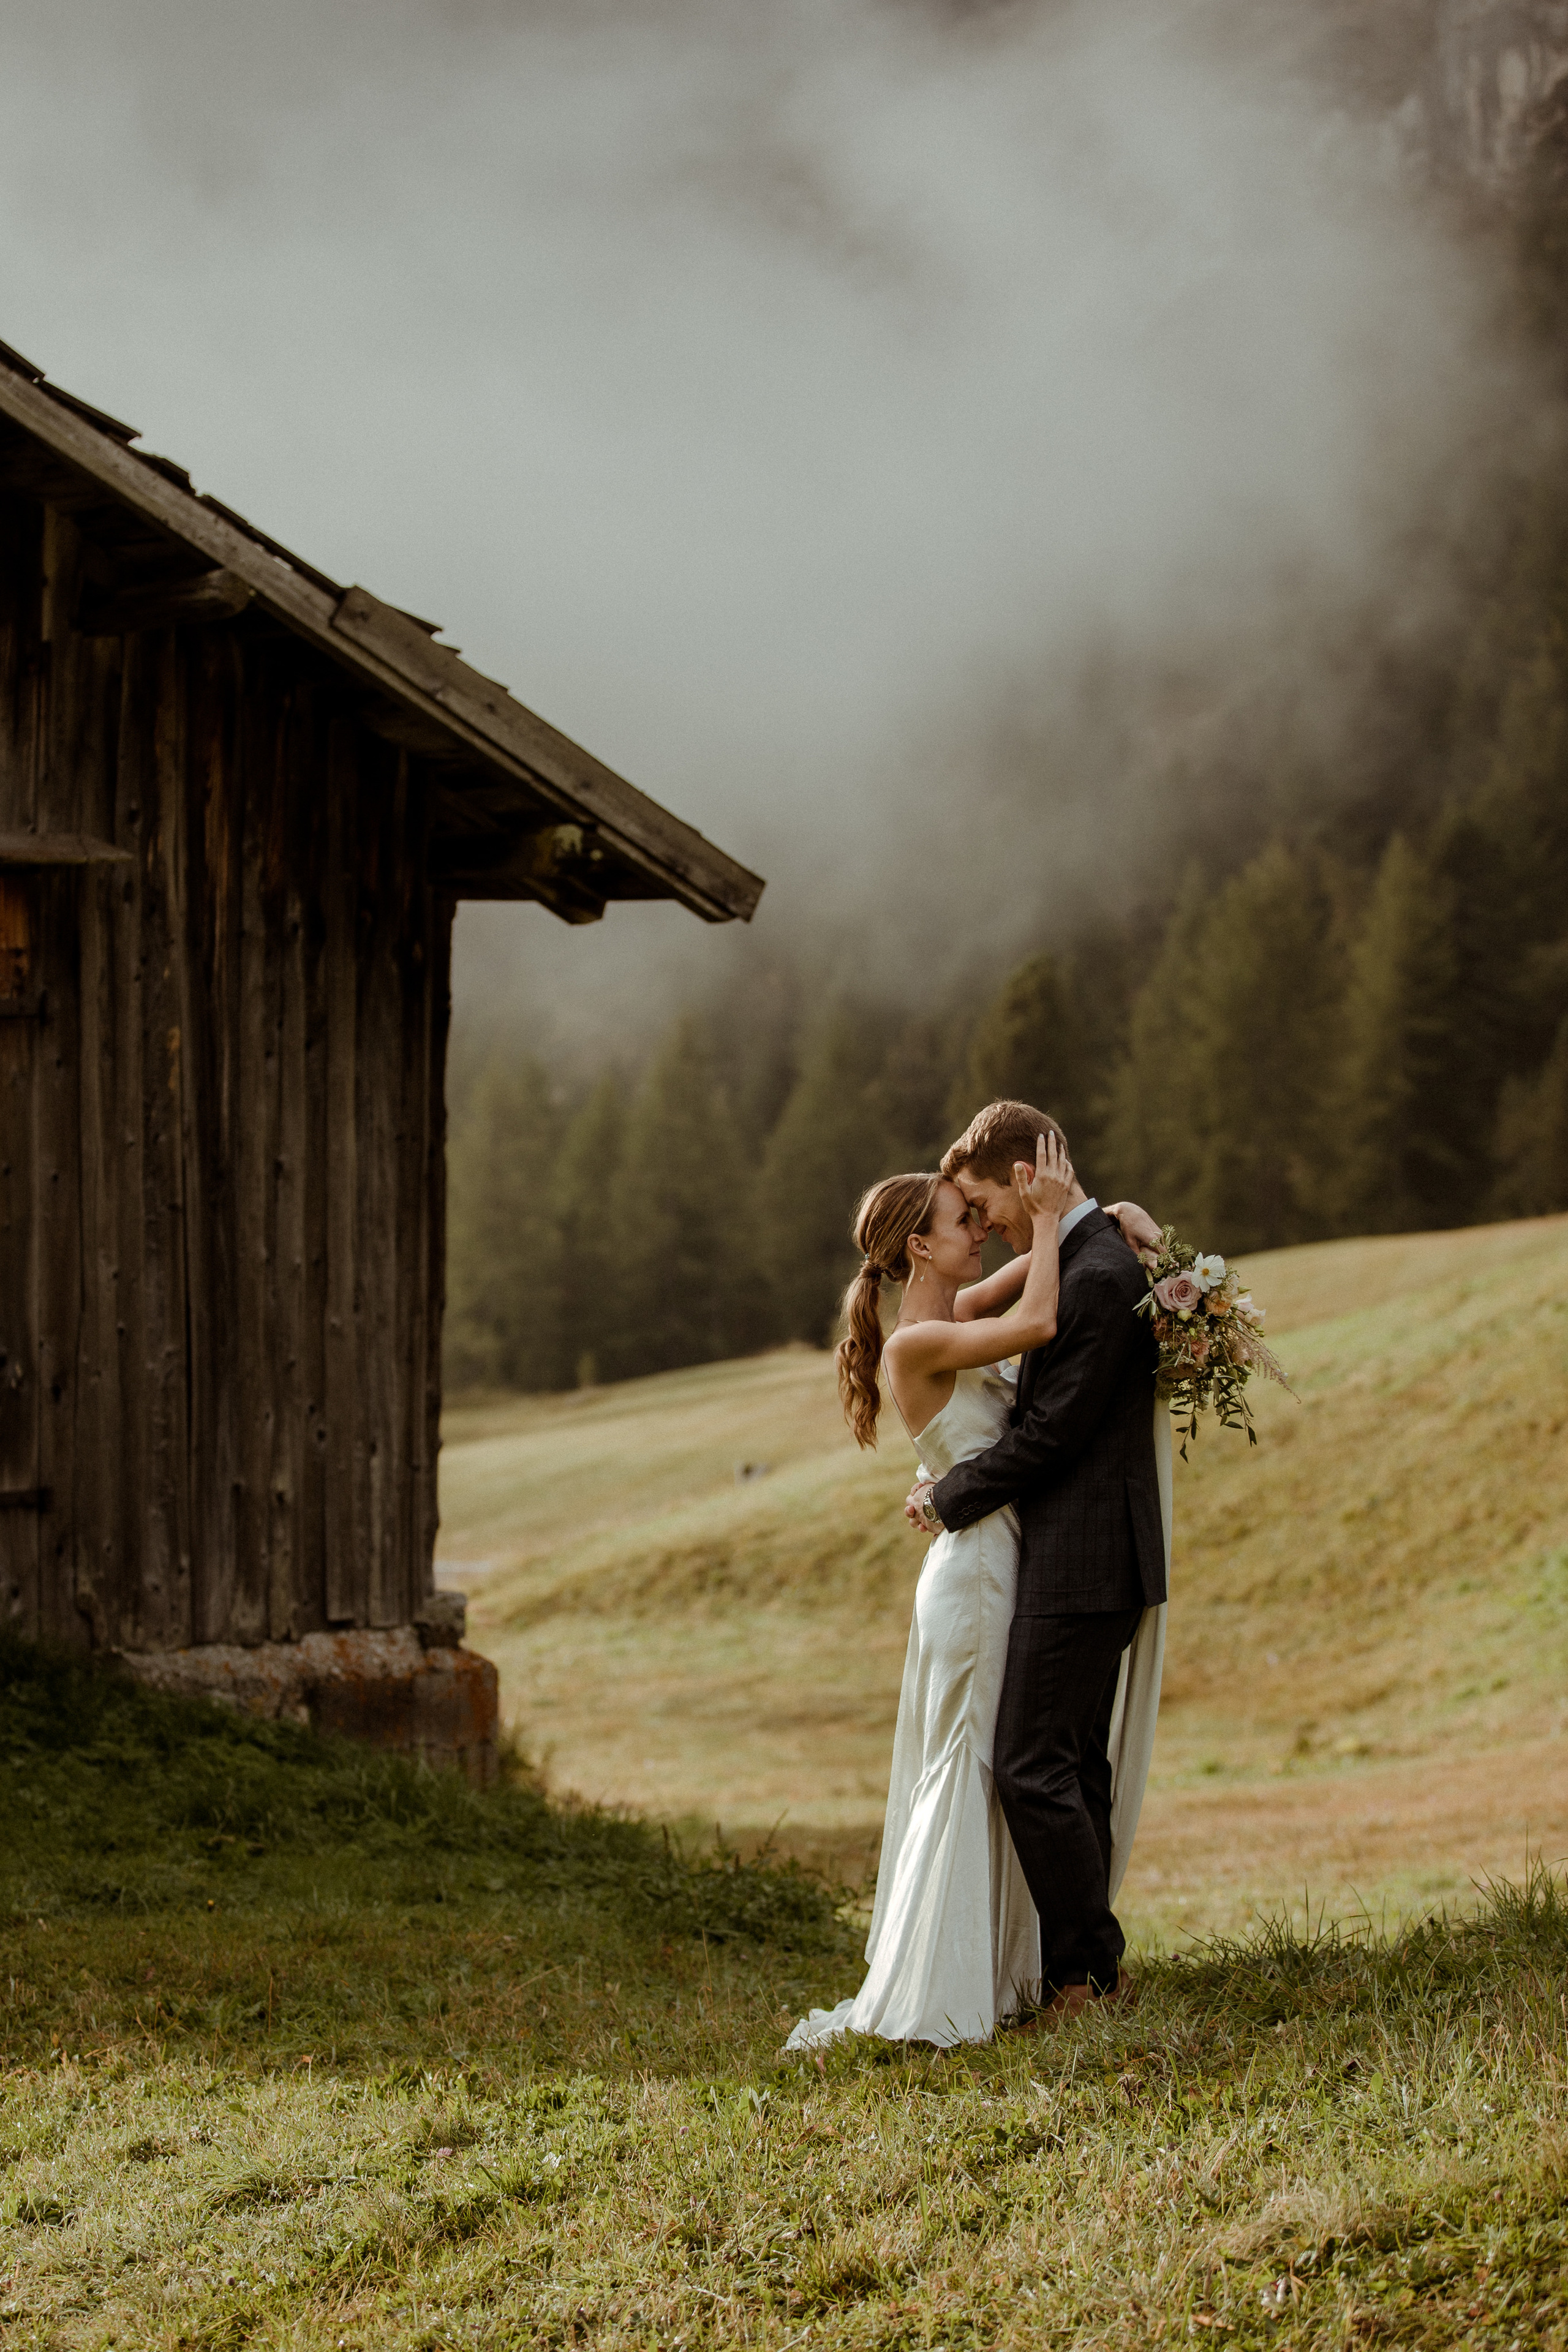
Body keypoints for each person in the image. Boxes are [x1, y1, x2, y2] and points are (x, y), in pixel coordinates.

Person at [785, 1114, 1166, 2049]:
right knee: (984, 1761)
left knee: (1021, 1758)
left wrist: (1098, 1213)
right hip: (979, 1569)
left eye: (981, 1210)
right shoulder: (917, 1341)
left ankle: (1030, 1965)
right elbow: (1039, 1318)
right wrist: (1049, 1220)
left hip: (1007, 1555)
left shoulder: (949, 1312)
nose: (982, 1229)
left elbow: (1049, 1280)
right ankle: (963, 1976)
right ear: (920, 1244)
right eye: (964, 1219)